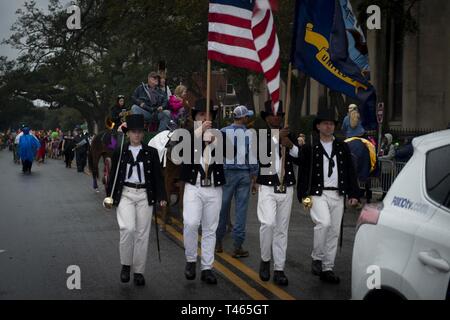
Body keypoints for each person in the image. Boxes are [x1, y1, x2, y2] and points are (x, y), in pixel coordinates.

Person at [296, 109, 360, 284]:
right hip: (317, 193)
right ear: (318, 126)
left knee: (334, 232)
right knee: (323, 223)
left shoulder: (341, 146)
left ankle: (327, 268)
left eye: (332, 123)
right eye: (325, 123)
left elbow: (349, 171)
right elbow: (303, 172)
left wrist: (354, 193)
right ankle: (317, 257)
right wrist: (302, 196)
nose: (329, 126)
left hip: (337, 194)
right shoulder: (311, 146)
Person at [106, 114, 168, 286]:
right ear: (128, 133)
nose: (137, 135)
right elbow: (114, 175)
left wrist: (161, 196)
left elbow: (158, 177)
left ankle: (139, 271)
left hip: (144, 195)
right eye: (134, 132)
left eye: (140, 132)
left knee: (142, 234)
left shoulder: (151, 152)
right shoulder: (120, 150)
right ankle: (126, 265)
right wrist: (109, 195)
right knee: (127, 228)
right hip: (125, 193)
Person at [253, 100, 299, 286]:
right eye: (273, 115)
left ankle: (279, 268)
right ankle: (265, 259)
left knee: (282, 230)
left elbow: (300, 158)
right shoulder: (261, 135)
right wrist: (276, 138)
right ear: (266, 118)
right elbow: (260, 154)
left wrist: (290, 145)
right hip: (267, 187)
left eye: (279, 115)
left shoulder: (289, 134)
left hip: (286, 187)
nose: (276, 117)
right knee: (268, 224)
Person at [179, 98, 225, 285]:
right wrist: (199, 134)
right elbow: (181, 151)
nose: (205, 118)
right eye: (201, 115)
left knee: (209, 229)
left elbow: (231, 153)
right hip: (194, 186)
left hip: (214, 188)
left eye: (208, 115)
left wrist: (216, 142)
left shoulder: (219, 135)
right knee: (190, 223)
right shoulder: (187, 134)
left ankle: (207, 267)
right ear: (195, 118)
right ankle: (191, 260)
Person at [215, 105, 258, 258]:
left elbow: (217, 155)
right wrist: (255, 175)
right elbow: (252, 157)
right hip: (243, 174)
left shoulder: (222, 132)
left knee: (222, 208)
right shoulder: (249, 134)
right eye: (248, 116)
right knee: (241, 210)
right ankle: (237, 245)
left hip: (226, 173)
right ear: (244, 118)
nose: (249, 119)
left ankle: (218, 241)